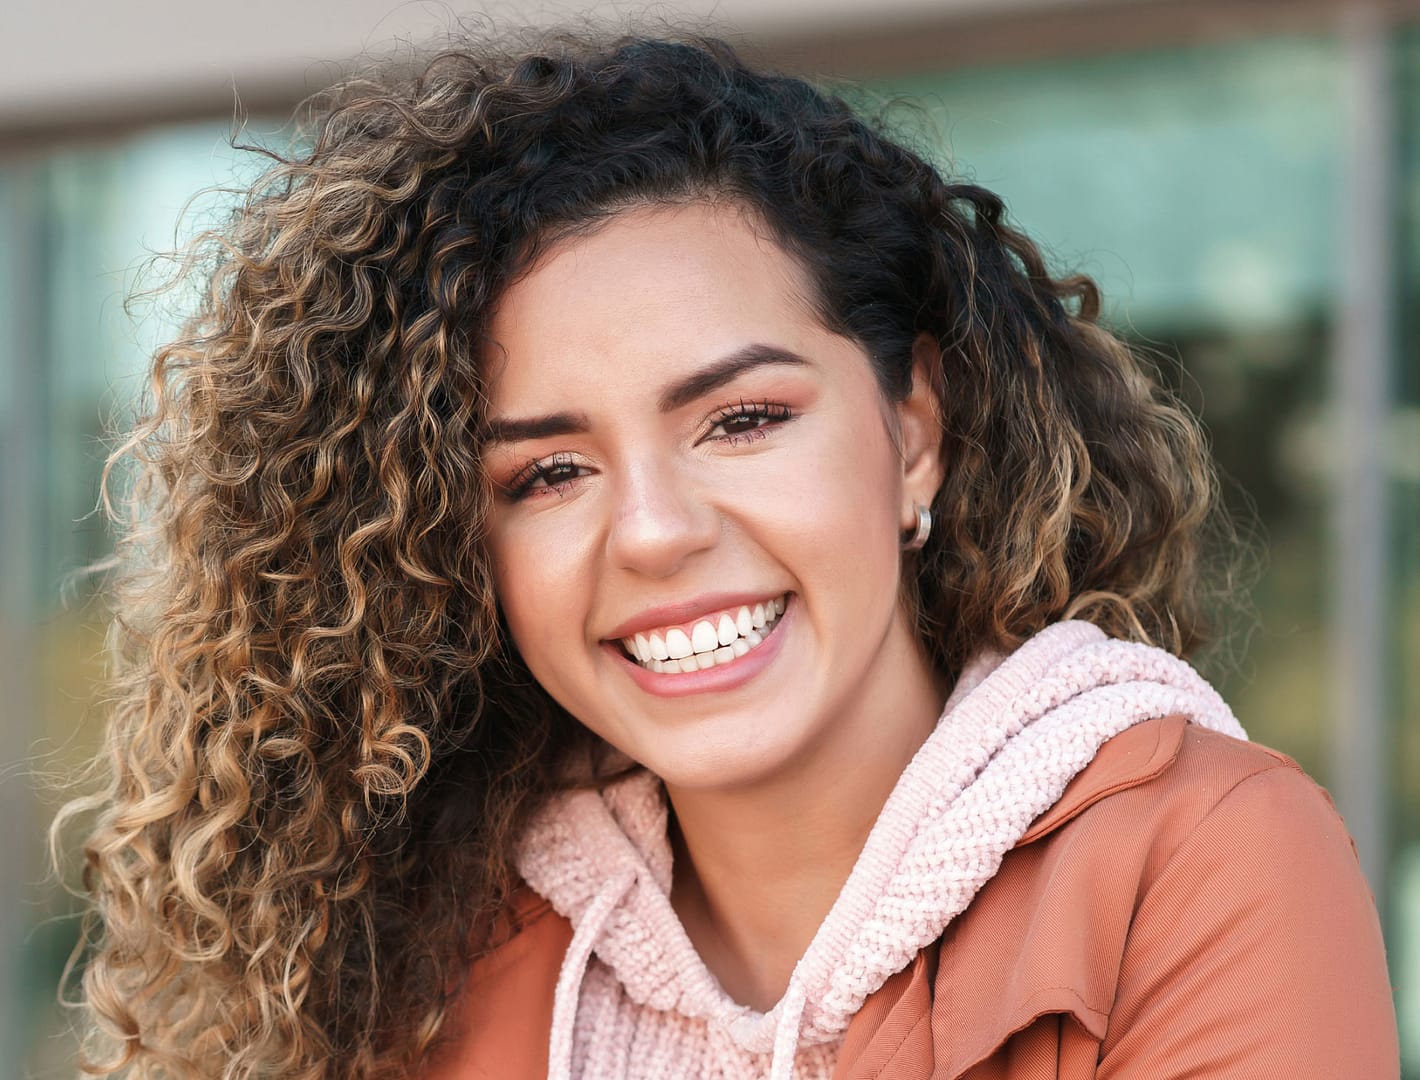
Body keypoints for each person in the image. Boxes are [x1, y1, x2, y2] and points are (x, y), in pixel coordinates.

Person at [58, 29, 1397, 1080]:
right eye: (548, 473)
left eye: (742, 420)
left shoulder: (1192, 862)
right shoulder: (441, 963)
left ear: (914, 431)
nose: (653, 530)